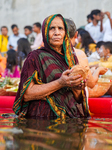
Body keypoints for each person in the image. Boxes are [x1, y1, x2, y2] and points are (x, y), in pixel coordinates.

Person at [13, 14, 90, 119]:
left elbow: (77, 98)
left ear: (65, 33)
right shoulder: (35, 57)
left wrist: (77, 88)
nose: (57, 33)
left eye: (60, 28)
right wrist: (60, 82)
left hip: (69, 119)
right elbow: (26, 94)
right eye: (52, 28)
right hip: (42, 120)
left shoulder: (70, 58)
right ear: (45, 32)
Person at [65, 18, 107, 88]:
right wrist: (98, 70)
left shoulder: (42, 54)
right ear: (76, 35)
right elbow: (91, 83)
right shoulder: (78, 53)